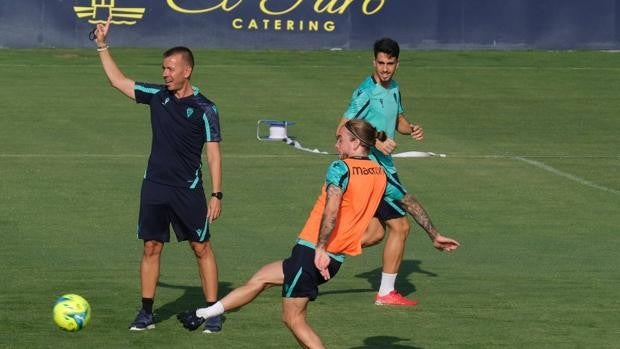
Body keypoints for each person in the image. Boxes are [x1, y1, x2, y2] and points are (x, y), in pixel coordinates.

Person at [177, 120, 459, 348]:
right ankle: (204, 313)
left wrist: (321, 248)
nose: (336, 144)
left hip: (314, 253)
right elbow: (410, 202)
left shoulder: (341, 168)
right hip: (322, 256)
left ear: (356, 144)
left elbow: (332, 209)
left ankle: (204, 313)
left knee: (293, 319)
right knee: (262, 278)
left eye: (340, 139)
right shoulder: (380, 175)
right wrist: (434, 234)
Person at [93, 17, 224, 332]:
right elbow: (118, 82)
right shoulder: (157, 96)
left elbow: (213, 153)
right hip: (154, 186)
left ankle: (213, 311)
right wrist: (101, 46)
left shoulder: (206, 108)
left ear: (186, 70)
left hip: (188, 189)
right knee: (151, 246)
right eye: (164, 68)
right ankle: (147, 313)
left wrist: (216, 194)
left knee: (201, 247)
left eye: (170, 68)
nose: (165, 73)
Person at [335, 37, 428, 306]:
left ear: (398, 64)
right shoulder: (365, 92)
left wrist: (411, 129)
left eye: (390, 64)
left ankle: (323, 251)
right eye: (380, 63)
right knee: (401, 226)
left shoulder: (395, 88)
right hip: (370, 172)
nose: (385, 69)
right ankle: (386, 293)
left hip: (386, 169)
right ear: (373, 61)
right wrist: (375, 141)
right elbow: (343, 129)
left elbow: (397, 118)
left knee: (375, 234)